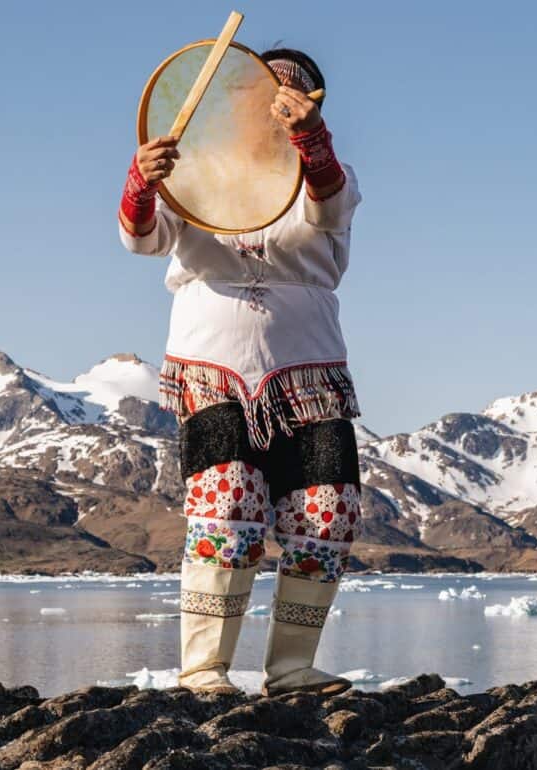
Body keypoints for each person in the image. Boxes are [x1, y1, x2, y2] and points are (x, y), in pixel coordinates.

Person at [118, 48, 363, 696]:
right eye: (265, 83)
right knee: (227, 501)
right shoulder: (195, 168)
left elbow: (328, 206)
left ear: (313, 107)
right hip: (214, 366)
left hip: (309, 369)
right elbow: (144, 236)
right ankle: (203, 670)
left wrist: (310, 140)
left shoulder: (327, 175)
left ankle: (291, 669)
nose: (278, 94)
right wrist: (142, 180)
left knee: (327, 509)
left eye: (297, 91)